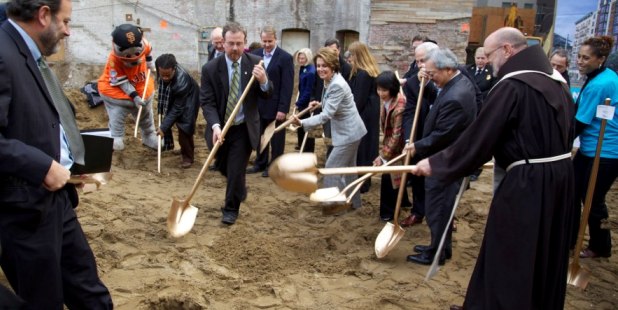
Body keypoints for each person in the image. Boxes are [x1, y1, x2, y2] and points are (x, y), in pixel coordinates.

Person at [410, 27, 575, 310]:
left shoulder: (513, 85)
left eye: (489, 54)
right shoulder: (555, 81)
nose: (486, 60)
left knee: (510, 252)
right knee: (543, 252)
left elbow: (481, 137)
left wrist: (436, 163)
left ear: (508, 50)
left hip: (527, 184)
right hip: (558, 179)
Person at [0, 0, 113, 308]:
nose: (68, 32)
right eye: (65, 22)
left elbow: (42, 119)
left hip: (57, 200)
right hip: (24, 211)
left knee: (90, 293)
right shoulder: (3, 54)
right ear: (43, 15)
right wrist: (42, 167)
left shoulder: (30, 56)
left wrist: (71, 163)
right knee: (43, 299)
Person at [404, 48, 477, 266]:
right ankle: (440, 247)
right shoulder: (456, 83)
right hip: (446, 158)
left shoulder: (457, 96)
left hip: (445, 160)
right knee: (441, 207)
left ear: (447, 69)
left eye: (433, 73)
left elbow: (442, 135)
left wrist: (417, 145)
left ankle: (435, 253)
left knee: (438, 209)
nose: (431, 77)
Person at [201, 21, 272, 225]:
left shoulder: (256, 63)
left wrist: (264, 81)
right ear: (222, 42)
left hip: (243, 127)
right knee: (223, 166)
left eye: (239, 43)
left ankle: (230, 209)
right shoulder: (210, 69)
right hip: (220, 128)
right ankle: (239, 188)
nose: (235, 48)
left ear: (245, 42)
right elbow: (207, 102)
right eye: (231, 43)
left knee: (235, 170)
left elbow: (267, 94)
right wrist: (215, 126)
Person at [292, 47, 366, 211]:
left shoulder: (336, 84)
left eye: (324, 66)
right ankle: (355, 204)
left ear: (333, 66)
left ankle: (333, 205)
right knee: (349, 170)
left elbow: (326, 116)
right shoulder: (331, 81)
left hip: (349, 134)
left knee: (332, 168)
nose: (320, 69)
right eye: (318, 65)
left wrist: (303, 123)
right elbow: (332, 103)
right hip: (352, 131)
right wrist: (319, 103)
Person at [571, 35, 618, 259]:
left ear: (600, 59)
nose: (580, 61)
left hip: (606, 151)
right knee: (573, 191)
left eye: (586, 58)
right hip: (590, 148)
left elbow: (580, 122)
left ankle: (601, 246)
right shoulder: (600, 75)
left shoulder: (600, 83)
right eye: (579, 56)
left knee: (593, 200)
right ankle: (570, 238)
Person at [97, 23, 157, 151]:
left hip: (140, 82)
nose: (133, 59)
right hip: (117, 91)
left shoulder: (144, 44)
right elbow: (121, 82)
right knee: (117, 115)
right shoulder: (113, 60)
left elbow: (148, 51)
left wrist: (150, 65)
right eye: (128, 56)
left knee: (145, 113)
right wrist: (134, 96)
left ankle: (149, 135)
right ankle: (116, 136)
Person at [399, 41, 438, 228]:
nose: (421, 65)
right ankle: (418, 211)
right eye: (418, 62)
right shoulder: (414, 83)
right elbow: (409, 112)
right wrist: (409, 139)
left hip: (442, 138)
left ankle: (446, 215)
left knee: (441, 180)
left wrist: (430, 84)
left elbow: (440, 100)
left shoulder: (451, 76)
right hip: (420, 137)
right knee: (418, 177)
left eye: (424, 60)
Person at [247, 26, 294, 177]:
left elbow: (287, 85)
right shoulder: (255, 55)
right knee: (260, 136)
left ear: (276, 39)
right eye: (264, 41)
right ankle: (260, 163)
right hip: (259, 106)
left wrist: (283, 108)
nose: (267, 44)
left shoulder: (285, 58)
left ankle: (274, 166)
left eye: (270, 41)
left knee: (276, 138)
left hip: (276, 106)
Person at [373, 71, 409, 221]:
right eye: (379, 89)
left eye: (384, 90)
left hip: (399, 146)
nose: (380, 93)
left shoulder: (400, 105)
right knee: (396, 176)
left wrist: (383, 156)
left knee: (389, 177)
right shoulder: (387, 100)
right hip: (390, 143)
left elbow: (397, 134)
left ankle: (388, 213)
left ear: (393, 89)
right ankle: (405, 202)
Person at [154, 54, 200, 169]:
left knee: (185, 127)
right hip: (176, 95)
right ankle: (183, 148)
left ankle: (188, 157)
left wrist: (163, 127)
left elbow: (177, 109)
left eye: (167, 75)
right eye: (162, 75)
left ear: (174, 69)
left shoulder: (181, 82)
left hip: (191, 98)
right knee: (175, 120)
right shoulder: (162, 66)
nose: (164, 78)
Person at [310, 38, 352, 159]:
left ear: (339, 50)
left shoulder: (346, 68)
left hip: (339, 112)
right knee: (329, 138)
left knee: (338, 141)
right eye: (328, 51)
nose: (331, 54)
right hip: (323, 107)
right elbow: (316, 87)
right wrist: (314, 100)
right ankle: (331, 161)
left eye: (334, 50)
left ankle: (335, 165)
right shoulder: (321, 67)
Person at [347, 41, 380, 193]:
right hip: (369, 113)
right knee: (366, 147)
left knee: (363, 148)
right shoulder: (366, 72)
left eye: (352, 54)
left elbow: (358, 100)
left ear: (358, 56)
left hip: (364, 115)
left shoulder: (363, 74)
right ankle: (363, 180)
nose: (350, 58)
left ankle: (362, 183)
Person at [294, 47, 316, 152]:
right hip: (302, 101)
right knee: (300, 125)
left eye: (303, 58)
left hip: (307, 104)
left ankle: (308, 149)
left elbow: (308, 91)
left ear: (308, 58)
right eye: (299, 58)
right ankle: (300, 144)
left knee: (307, 126)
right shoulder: (303, 68)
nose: (301, 60)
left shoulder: (311, 72)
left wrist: (299, 102)